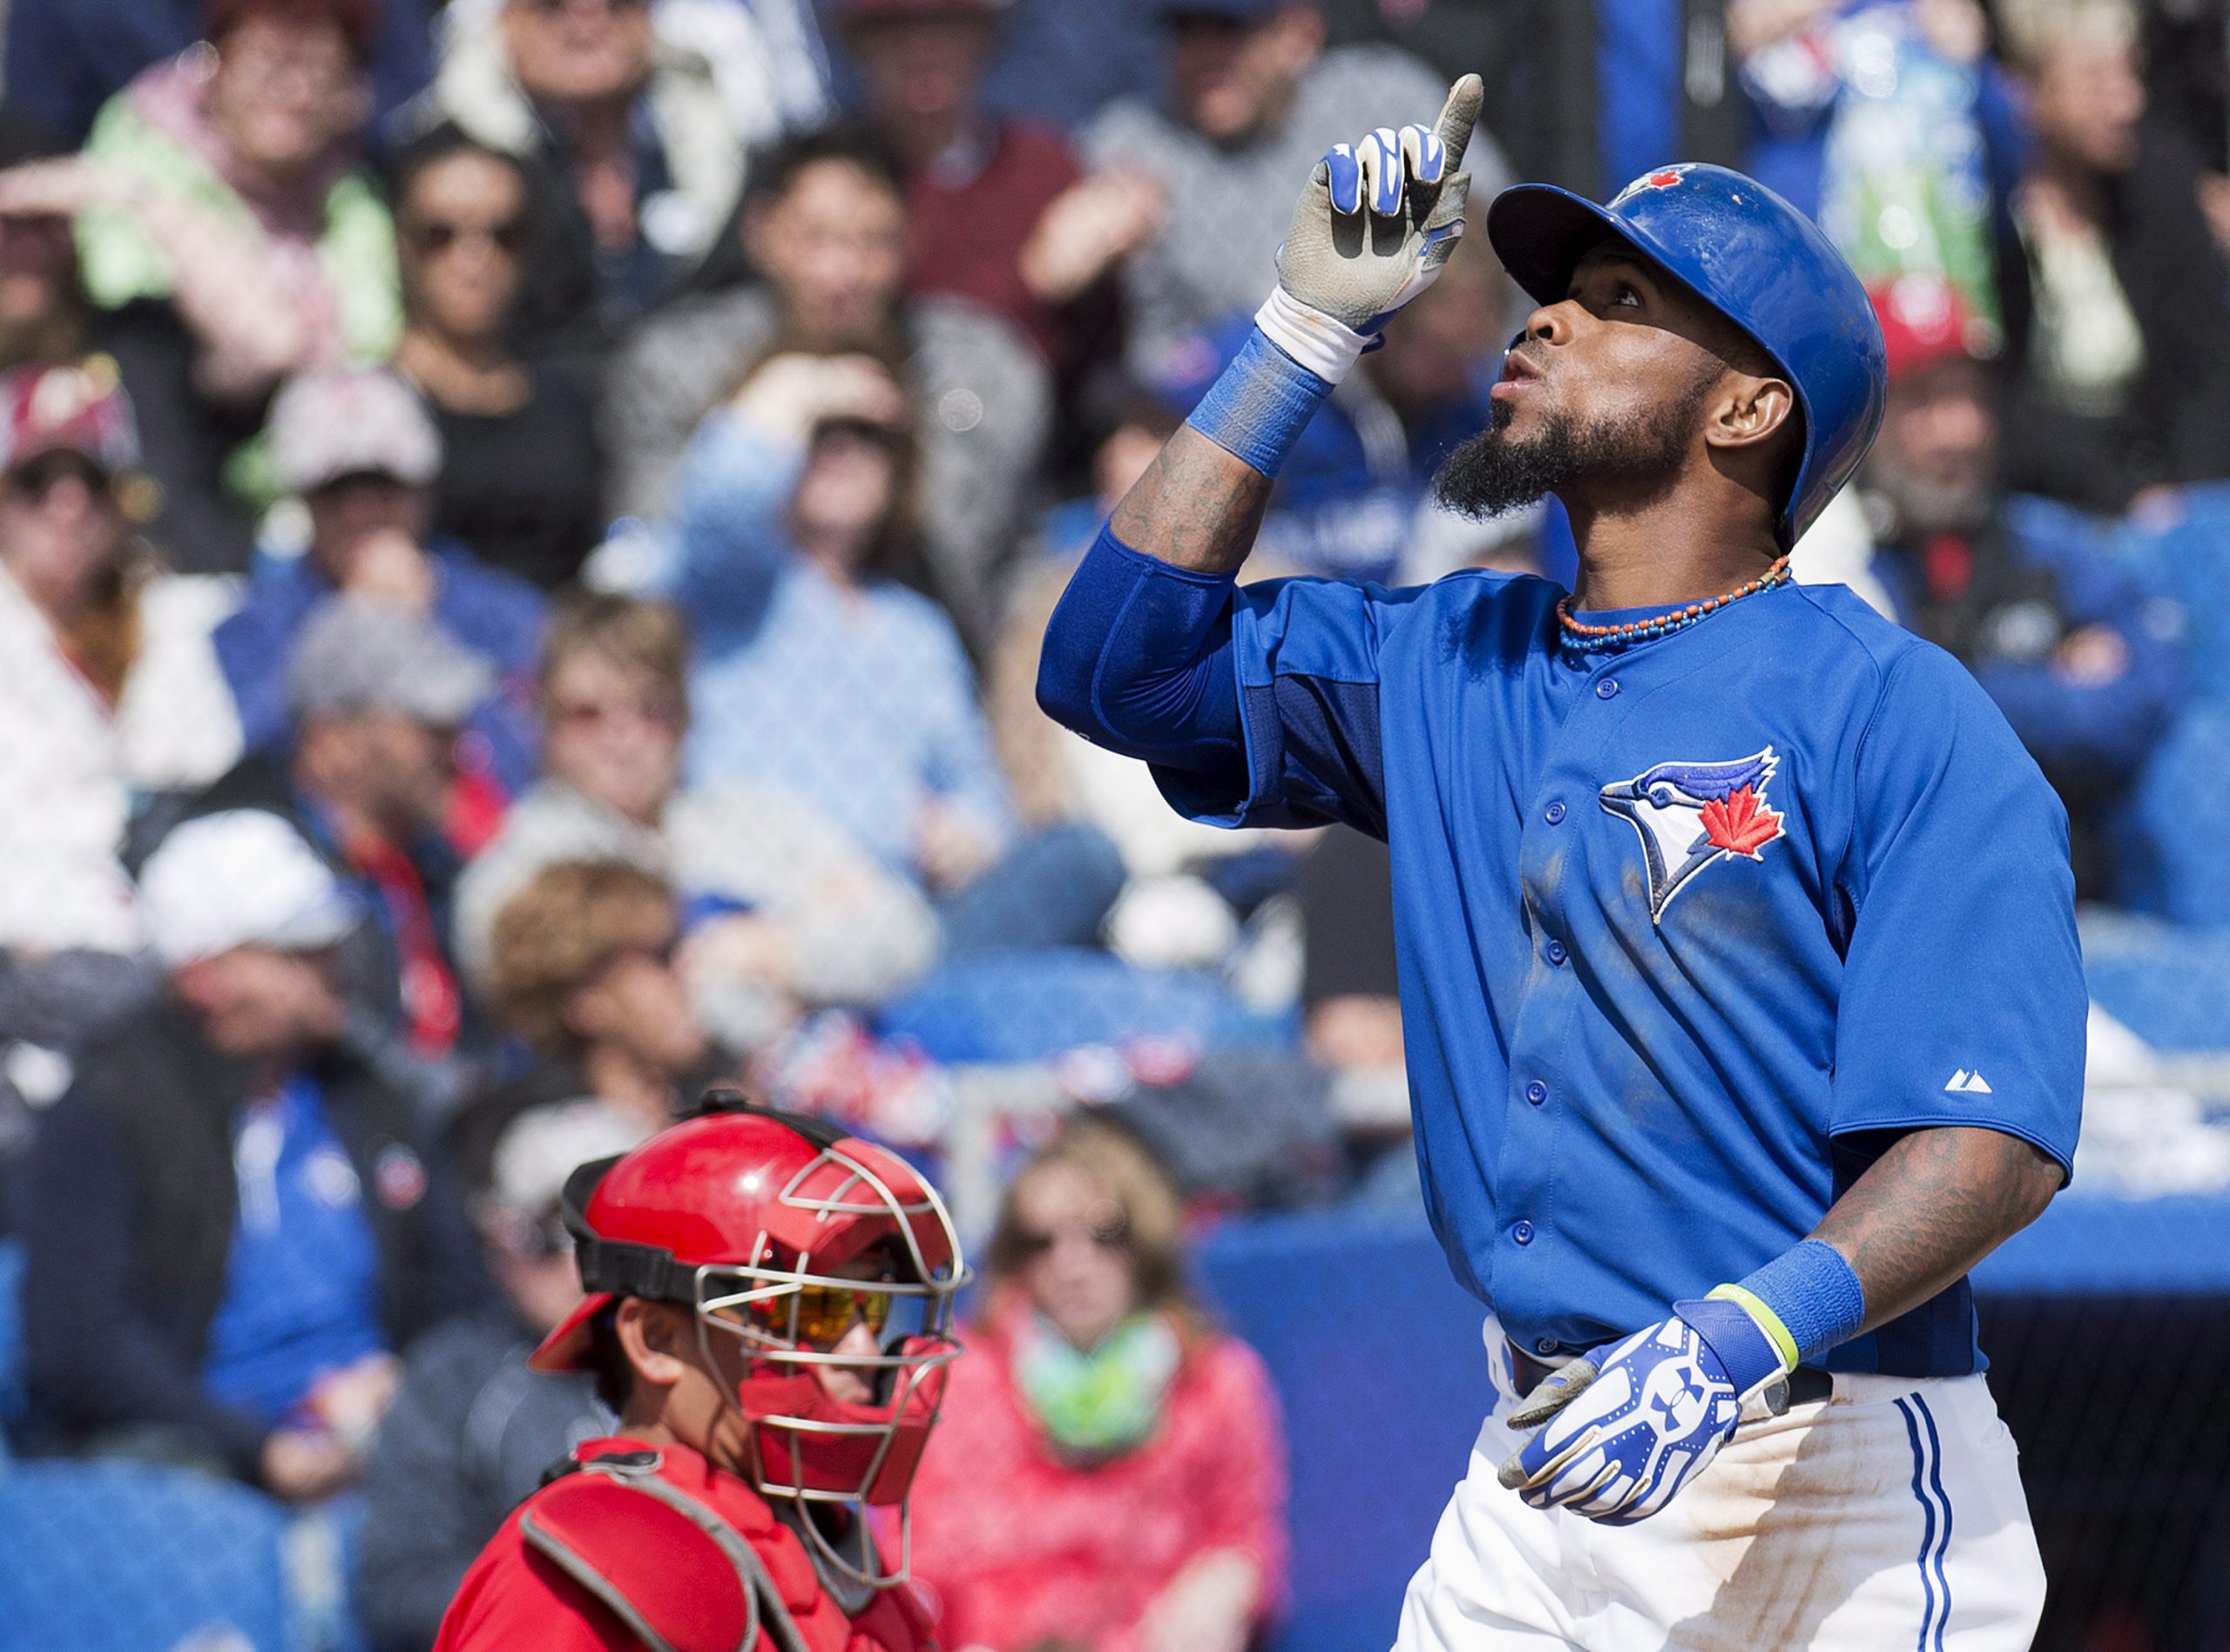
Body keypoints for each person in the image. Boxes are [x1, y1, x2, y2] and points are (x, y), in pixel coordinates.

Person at [1038, 76, 2083, 1647]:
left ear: (1749, 408)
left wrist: (1737, 1337)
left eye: (1618, 303)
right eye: (1550, 293)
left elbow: (1990, 1142)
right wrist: (1303, 331)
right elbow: (1111, 671)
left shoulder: (1893, 705)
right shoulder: (1449, 655)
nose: (1543, 324)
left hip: (1833, 1466)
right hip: (1535, 1476)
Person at [17, 808, 480, 1499]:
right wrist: (260, 1449)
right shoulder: (106, 1113)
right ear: (209, 974)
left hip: (388, 1433)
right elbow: (80, 1342)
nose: (336, 964)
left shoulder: (365, 1089)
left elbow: (457, 1281)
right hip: (195, 1470)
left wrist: (410, 1385)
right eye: (299, 950)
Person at [432, 1096, 960, 1650]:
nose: (866, 1352)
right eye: (815, 1310)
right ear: (655, 1341)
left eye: (870, 1310)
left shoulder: (839, 1552)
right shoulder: (583, 1573)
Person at [654, 347, 1124, 952]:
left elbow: (982, 792)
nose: (843, 451)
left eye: (870, 436)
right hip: (762, 909)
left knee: (1081, 857)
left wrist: (970, 835)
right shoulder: (731, 584)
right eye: (822, 432)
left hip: (909, 925)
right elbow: (724, 499)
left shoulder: (917, 629)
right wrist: (807, 382)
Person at [604, 125, 1049, 652]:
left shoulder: (985, 368)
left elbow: (1005, 567)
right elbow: (643, 550)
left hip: (942, 661)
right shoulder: (677, 364)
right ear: (761, 232)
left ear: (911, 240)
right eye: (817, 238)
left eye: (872, 241)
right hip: (728, 662)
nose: (843, 272)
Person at [451, 593, 940, 1055]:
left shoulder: (745, 817)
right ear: (543, 721)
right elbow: (650, 1023)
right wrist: (810, 937)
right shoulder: (513, 870)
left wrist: (772, 951)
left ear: (684, 716)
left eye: (649, 710)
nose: (622, 738)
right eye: (588, 714)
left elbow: (909, 938)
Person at [1828, 273, 2181, 903]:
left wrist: (1949, 688)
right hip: (1907, 905)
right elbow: (1869, 741)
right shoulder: (1840, 560)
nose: (1958, 430)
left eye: (1969, 397)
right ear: (1868, 420)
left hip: (2079, 896)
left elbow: (2140, 702)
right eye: (1925, 401)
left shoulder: (2055, 545)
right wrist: (2046, 684)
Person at [908, 1117, 1287, 1652]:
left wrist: (1223, 1586)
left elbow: (1245, 1539)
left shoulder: (1215, 1379)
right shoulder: (962, 1382)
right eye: (1043, 1242)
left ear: (1146, 1240)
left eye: (1103, 1236)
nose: (1072, 1264)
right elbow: (929, 1561)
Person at [64, 0, 405, 570]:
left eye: (321, 72)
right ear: (216, 65)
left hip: (313, 504)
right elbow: (132, 289)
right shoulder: (137, 148)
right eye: (272, 65)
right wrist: (155, 206)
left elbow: (371, 341)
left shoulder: (353, 194)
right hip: (174, 494)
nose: (295, 93)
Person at [172, 598, 500, 1101]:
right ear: (332, 739)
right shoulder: (248, 875)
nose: (459, 750)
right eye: (429, 729)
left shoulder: (432, 867)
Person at [357, 1099, 651, 1652]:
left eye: (609, 1232)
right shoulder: (451, 1383)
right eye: (550, 1232)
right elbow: (399, 1589)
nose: (581, 1263)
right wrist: (584, 1605)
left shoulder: (696, 1364)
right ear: (499, 1235)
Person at [1078, 0, 1488, 383]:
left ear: (1298, 34)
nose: (1205, 54)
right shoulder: (1128, 147)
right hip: (1227, 400)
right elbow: (1142, 358)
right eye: (1188, 30)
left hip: (1409, 384)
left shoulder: (1383, 98)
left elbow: (1499, 237)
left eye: (1229, 29)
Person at [213, 366, 547, 800]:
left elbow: (540, 743)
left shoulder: (506, 612)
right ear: (302, 498)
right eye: (336, 490)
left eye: (383, 484)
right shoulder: (250, 632)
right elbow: (260, 759)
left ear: (424, 488)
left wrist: (426, 632)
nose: (361, 511)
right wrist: (356, 625)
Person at [0, 359, 239, 961]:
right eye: (38, 480)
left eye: (91, 478)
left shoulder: (177, 619)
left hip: (165, 943)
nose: (68, 503)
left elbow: (207, 774)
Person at [409, 0, 814, 339]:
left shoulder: (735, 151)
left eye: (619, 1)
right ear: (504, 21)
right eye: (552, 3)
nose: (588, 16)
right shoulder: (442, 165)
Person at [835, 0, 1150, 404]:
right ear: (859, 48)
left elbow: (1098, 358)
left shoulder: (1045, 168)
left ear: (985, 38)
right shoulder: (835, 178)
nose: (921, 50)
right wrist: (1034, 278)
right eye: (895, 31)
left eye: (947, 28)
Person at [1995, 0, 2230, 511]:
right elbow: (1999, 403)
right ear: (2031, 91)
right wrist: (2122, 494)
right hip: (2039, 496)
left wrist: (2186, 500)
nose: (2128, 103)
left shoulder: (2159, 183)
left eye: (2132, 74)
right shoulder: (1990, 208)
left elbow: (2206, 366)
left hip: (2168, 485)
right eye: (2099, 83)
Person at [392, 130, 609, 593]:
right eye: (440, 234)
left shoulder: (571, 398)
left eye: (504, 235)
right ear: (403, 244)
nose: (474, 259)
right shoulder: (366, 403)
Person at [450, 858, 713, 1199]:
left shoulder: (711, 1088)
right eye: (660, 958)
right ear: (587, 1002)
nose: (686, 972)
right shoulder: (552, 1147)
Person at [3, 0, 433, 152]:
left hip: (323, 217)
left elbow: (412, 111)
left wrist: (323, 108)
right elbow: (36, 142)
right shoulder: (72, 11)